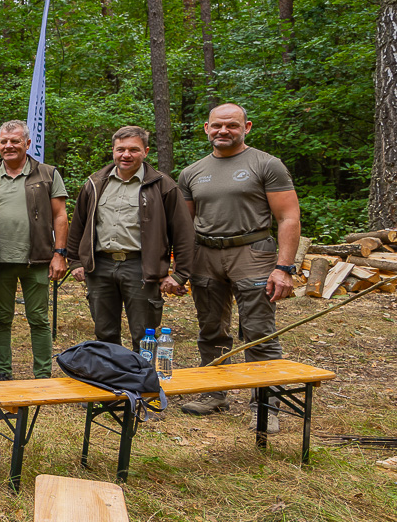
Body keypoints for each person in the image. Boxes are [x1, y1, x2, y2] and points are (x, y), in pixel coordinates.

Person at [177, 103, 301, 430]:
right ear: (206, 128)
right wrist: (179, 267)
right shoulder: (191, 172)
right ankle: (213, 393)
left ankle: (265, 405)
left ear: (247, 127)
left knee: (258, 330)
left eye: (232, 125)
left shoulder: (266, 165)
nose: (223, 131)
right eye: (217, 125)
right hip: (206, 254)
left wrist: (284, 268)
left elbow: (288, 217)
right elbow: (184, 225)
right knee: (210, 329)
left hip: (253, 251)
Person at [66, 126, 194, 353]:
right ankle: (111, 380)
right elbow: (78, 224)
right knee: (104, 332)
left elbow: (183, 233)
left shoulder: (163, 185)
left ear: (145, 151)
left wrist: (180, 274)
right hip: (100, 267)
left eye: (133, 150)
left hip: (141, 268)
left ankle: (144, 383)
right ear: (113, 151)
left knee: (144, 333)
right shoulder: (96, 183)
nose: (126, 155)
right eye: (120, 149)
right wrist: (75, 261)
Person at [0, 121, 69, 381]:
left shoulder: (47, 173)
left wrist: (59, 254)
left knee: (38, 320)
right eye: (4, 141)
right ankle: (3, 373)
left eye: (15, 141)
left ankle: (43, 375)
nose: (9, 146)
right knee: (2, 319)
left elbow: (60, 215)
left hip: (37, 259)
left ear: (27, 144)